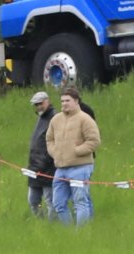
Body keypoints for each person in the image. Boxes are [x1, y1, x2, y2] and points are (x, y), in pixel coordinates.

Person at [46, 86, 100, 226]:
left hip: (80, 167)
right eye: (62, 101)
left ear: (76, 101)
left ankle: (81, 234)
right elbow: (49, 139)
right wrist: (55, 152)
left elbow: (94, 141)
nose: (64, 104)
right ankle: (69, 232)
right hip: (60, 168)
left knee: (80, 202)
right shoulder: (56, 119)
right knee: (58, 203)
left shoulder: (85, 119)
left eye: (67, 101)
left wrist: (77, 151)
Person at [26, 90, 55, 218]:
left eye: (40, 103)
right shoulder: (41, 118)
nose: (38, 107)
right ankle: (41, 223)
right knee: (33, 201)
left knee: (50, 201)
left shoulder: (54, 117)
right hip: (34, 168)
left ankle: (53, 225)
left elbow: (55, 143)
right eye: (36, 104)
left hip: (48, 168)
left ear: (47, 101)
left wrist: (46, 160)